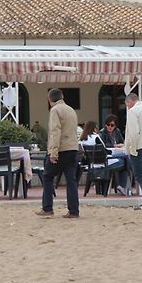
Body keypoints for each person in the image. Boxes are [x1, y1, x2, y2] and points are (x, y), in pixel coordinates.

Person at [36, 88, 80, 218]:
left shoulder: (55, 110)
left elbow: (55, 131)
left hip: (61, 149)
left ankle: (47, 207)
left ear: (50, 99)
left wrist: (53, 152)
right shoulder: (71, 110)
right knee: (71, 180)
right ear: (62, 97)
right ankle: (74, 210)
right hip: (73, 148)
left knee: (47, 176)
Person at [79, 120, 128, 195]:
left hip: (91, 164)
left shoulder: (82, 139)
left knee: (124, 159)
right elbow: (104, 151)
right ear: (94, 128)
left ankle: (121, 185)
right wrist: (114, 152)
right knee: (125, 160)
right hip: (104, 163)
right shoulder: (96, 137)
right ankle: (122, 185)